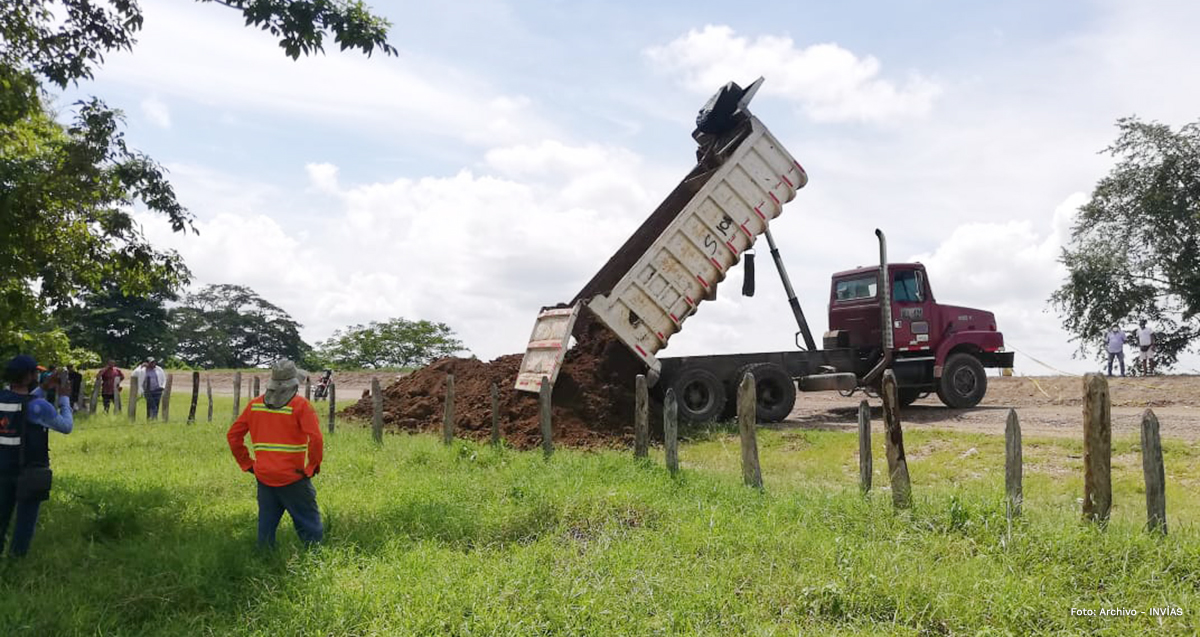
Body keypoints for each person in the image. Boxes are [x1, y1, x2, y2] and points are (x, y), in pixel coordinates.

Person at [227, 360, 323, 547]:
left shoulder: (254, 405)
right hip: (293, 477)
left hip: (263, 475)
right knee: (309, 524)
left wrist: (247, 464)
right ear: (294, 383)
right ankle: (314, 556)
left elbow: (233, 436)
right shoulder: (300, 405)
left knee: (266, 524)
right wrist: (312, 466)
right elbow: (316, 439)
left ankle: (264, 558)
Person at [0, 355, 73, 557]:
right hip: (29, 470)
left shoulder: (3, 399)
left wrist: (43, 388)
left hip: (2, 467)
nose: (38, 375)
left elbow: (22, 403)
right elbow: (66, 426)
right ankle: (16, 561)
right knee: (25, 521)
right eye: (36, 372)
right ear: (29, 376)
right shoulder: (39, 406)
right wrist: (64, 398)